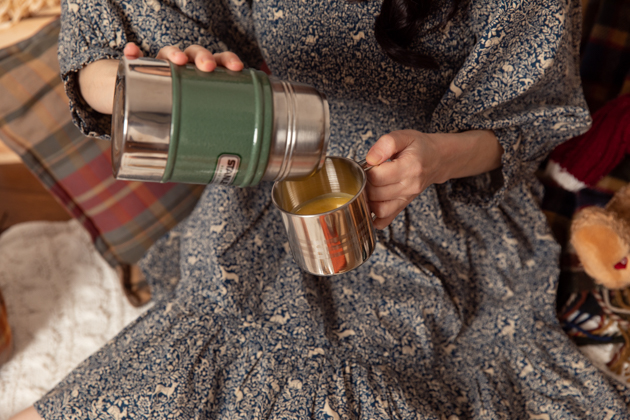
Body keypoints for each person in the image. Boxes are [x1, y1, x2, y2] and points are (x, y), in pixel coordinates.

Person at [11, 0, 630, 418]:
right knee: (210, 334)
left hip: (443, 206)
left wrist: (435, 160)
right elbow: (98, 65)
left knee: (356, 367)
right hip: (265, 190)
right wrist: (143, 79)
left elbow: (522, 126)